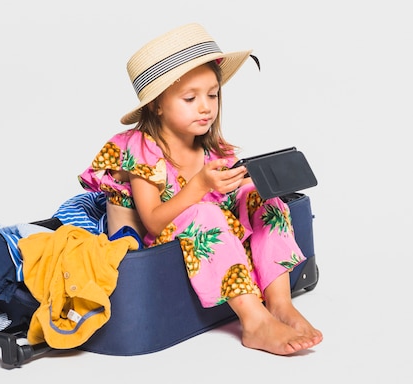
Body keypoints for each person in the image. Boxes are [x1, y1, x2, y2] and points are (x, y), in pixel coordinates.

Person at [78, 23, 322, 355]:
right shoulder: (143, 150)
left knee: (263, 198)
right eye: (190, 98)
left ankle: (279, 304)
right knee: (203, 212)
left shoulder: (211, 149)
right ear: (157, 106)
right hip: (167, 236)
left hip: (216, 225)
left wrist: (242, 185)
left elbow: (230, 203)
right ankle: (254, 322)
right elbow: (152, 221)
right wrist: (200, 186)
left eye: (212, 95)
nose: (205, 106)